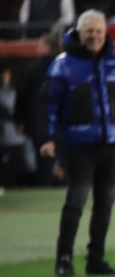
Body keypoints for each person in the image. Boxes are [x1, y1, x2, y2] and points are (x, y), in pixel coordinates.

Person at [39, 11, 115, 277]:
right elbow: (49, 106)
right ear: (79, 33)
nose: (95, 36)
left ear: (105, 33)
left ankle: (95, 260)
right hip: (79, 145)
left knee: (105, 204)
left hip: (112, 144)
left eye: (99, 31)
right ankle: (63, 258)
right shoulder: (62, 65)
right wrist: (48, 137)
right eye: (89, 31)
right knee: (75, 201)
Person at [15, 34, 56, 184]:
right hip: (60, 123)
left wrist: (19, 119)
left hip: (34, 122)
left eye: (39, 45)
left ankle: (42, 183)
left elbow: (21, 97)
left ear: (46, 47)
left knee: (40, 159)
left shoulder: (30, 70)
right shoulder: (64, 68)